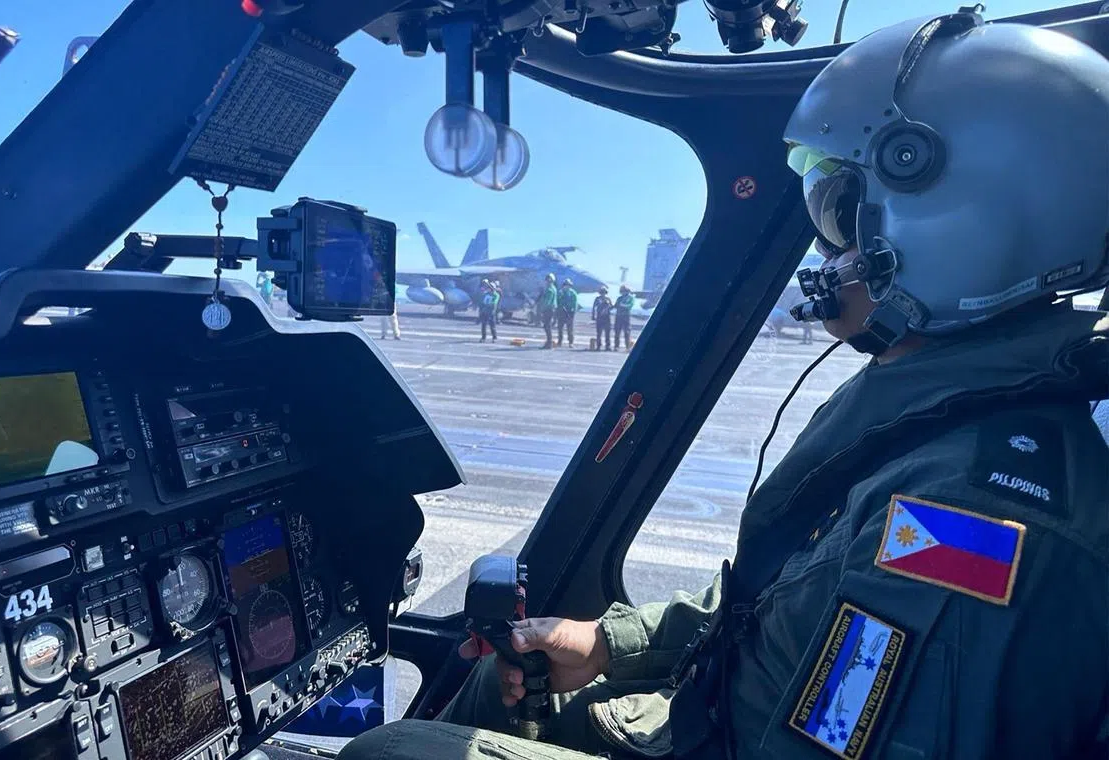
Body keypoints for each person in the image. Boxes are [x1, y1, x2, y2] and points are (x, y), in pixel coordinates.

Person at [339, 12, 1109, 760]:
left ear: (957, 223)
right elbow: (788, 599)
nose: (825, 249)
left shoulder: (972, 517)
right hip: (719, 714)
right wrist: (608, 642)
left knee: (392, 751)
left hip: (733, 734)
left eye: (839, 212)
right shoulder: (935, 411)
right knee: (489, 688)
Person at [537, 273, 558, 349]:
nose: (547, 281)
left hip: (548, 309)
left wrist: (542, 309)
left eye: (548, 280)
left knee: (547, 326)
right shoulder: (553, 288)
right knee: (547, 326)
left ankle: (549, 343)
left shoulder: (549, 289)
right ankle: (549, 342)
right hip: (551, 309)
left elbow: (547, 301)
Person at [557, 278, 579, 347]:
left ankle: (571, 342)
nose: (567, 286)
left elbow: (575, 303)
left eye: (568, 285)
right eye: (565, 284)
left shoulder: (573, 293)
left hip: (570, 313)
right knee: (560, 328)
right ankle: (559, 342)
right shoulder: (561, 292)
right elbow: (558, 301)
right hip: (562, 312)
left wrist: (572, 311)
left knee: (570, 329)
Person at [613, 285, 635, 351]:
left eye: (625, 291)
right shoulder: (619, 298)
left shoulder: (630, 298)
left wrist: (622, 305)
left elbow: (630, 306)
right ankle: (616, 346)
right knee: (617, 332)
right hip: (618, 316)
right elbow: (615, 306)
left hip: (626, 317)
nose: (623, 292)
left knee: (627, 332)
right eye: (622, 291)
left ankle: (627, 347)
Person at [591, 285, 612, 351]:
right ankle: (598, 346)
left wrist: (608, 305)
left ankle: (607, 346)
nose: (603, 293)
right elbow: (594, 307)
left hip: (607, 317)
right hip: (599, 317)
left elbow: (611, 307)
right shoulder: (597, 299)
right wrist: (593, 316)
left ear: (606, 292)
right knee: (599, 333)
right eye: (602, 292)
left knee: (607, 333)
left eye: (604, 292)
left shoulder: (608, 299)